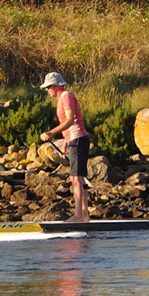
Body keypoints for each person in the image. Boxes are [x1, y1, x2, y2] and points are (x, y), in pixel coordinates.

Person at [39, 72, 91, 223]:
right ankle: (84, 215)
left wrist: (51, 132)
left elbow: (70, 120)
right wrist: (66, 145)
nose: (47, 90)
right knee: (78, 178)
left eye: (48, 87)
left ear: (56, 86)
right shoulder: (62, 98)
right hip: (74, 140)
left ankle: (79, 216)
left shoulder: (66, 96)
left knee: (76, 178)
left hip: (78, 138)